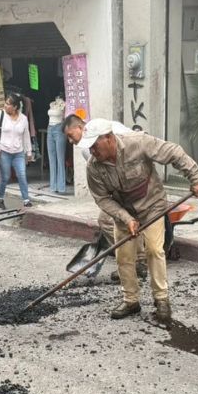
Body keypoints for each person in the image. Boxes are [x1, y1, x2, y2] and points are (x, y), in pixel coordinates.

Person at [77, 118, 198, 323]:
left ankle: (162, 300)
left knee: (154, 250)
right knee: (124, 256)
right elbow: (102, 198)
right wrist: (126, 218)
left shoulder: (137, 143)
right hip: (123, 210)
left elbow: (173, 152)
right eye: (89, 147)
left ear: (109, 138)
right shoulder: (94, 167)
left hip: (151, 205)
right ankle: (131, 300)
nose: (92, 151)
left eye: (94, 145)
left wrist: (195, 178)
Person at [64, 114, 148, 282]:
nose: (70, 141)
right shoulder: (86, 150)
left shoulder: (109, 131)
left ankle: (135, 263)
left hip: (136, 184)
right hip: (119, 190)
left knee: (109, 220)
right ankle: (137, 261)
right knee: (108, 219)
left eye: (70, 135)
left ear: (80, 128)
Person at [0, 93, 33, 209]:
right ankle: (0, 199)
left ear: (15, 107)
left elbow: (26, 135)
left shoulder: (23, 119)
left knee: (22, 175)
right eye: (5, 103)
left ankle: (26, 200)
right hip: (4, 151)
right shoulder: (0, 115)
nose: (5, 106)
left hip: (18, 152)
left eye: (8, 104)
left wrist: (29, 151)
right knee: (5, 177)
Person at [47, 95, 67, 194]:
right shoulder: (52, 104)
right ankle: (53, 186)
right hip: (50, 128)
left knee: (60, 159)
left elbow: (66, 118)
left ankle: (61, 187)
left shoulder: (64, 105)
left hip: (59, 128)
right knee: (51, 159)